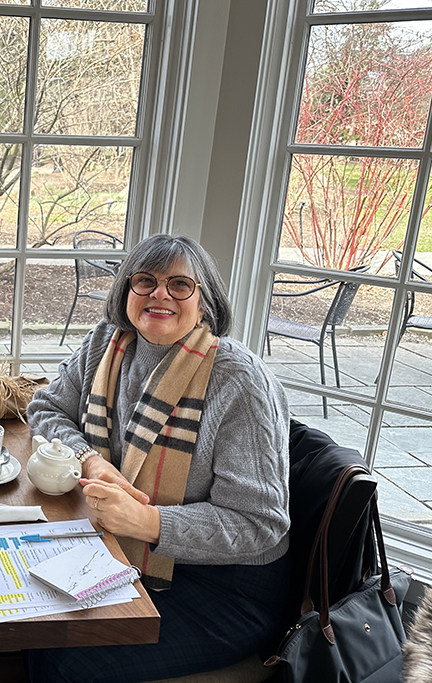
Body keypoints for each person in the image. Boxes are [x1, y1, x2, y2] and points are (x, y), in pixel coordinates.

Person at [26, 233, 290, 683]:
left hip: (225, 587)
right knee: (35, 626)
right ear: (125, 291)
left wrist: (149, 523)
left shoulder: (239, 383)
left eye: (180, 285)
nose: (159, 294)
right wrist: (89, 459)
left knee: (70, 660)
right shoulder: (106, 345)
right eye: (144, 281)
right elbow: (45, 408)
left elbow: (259, 525)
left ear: (205, 300)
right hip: (118, 548)